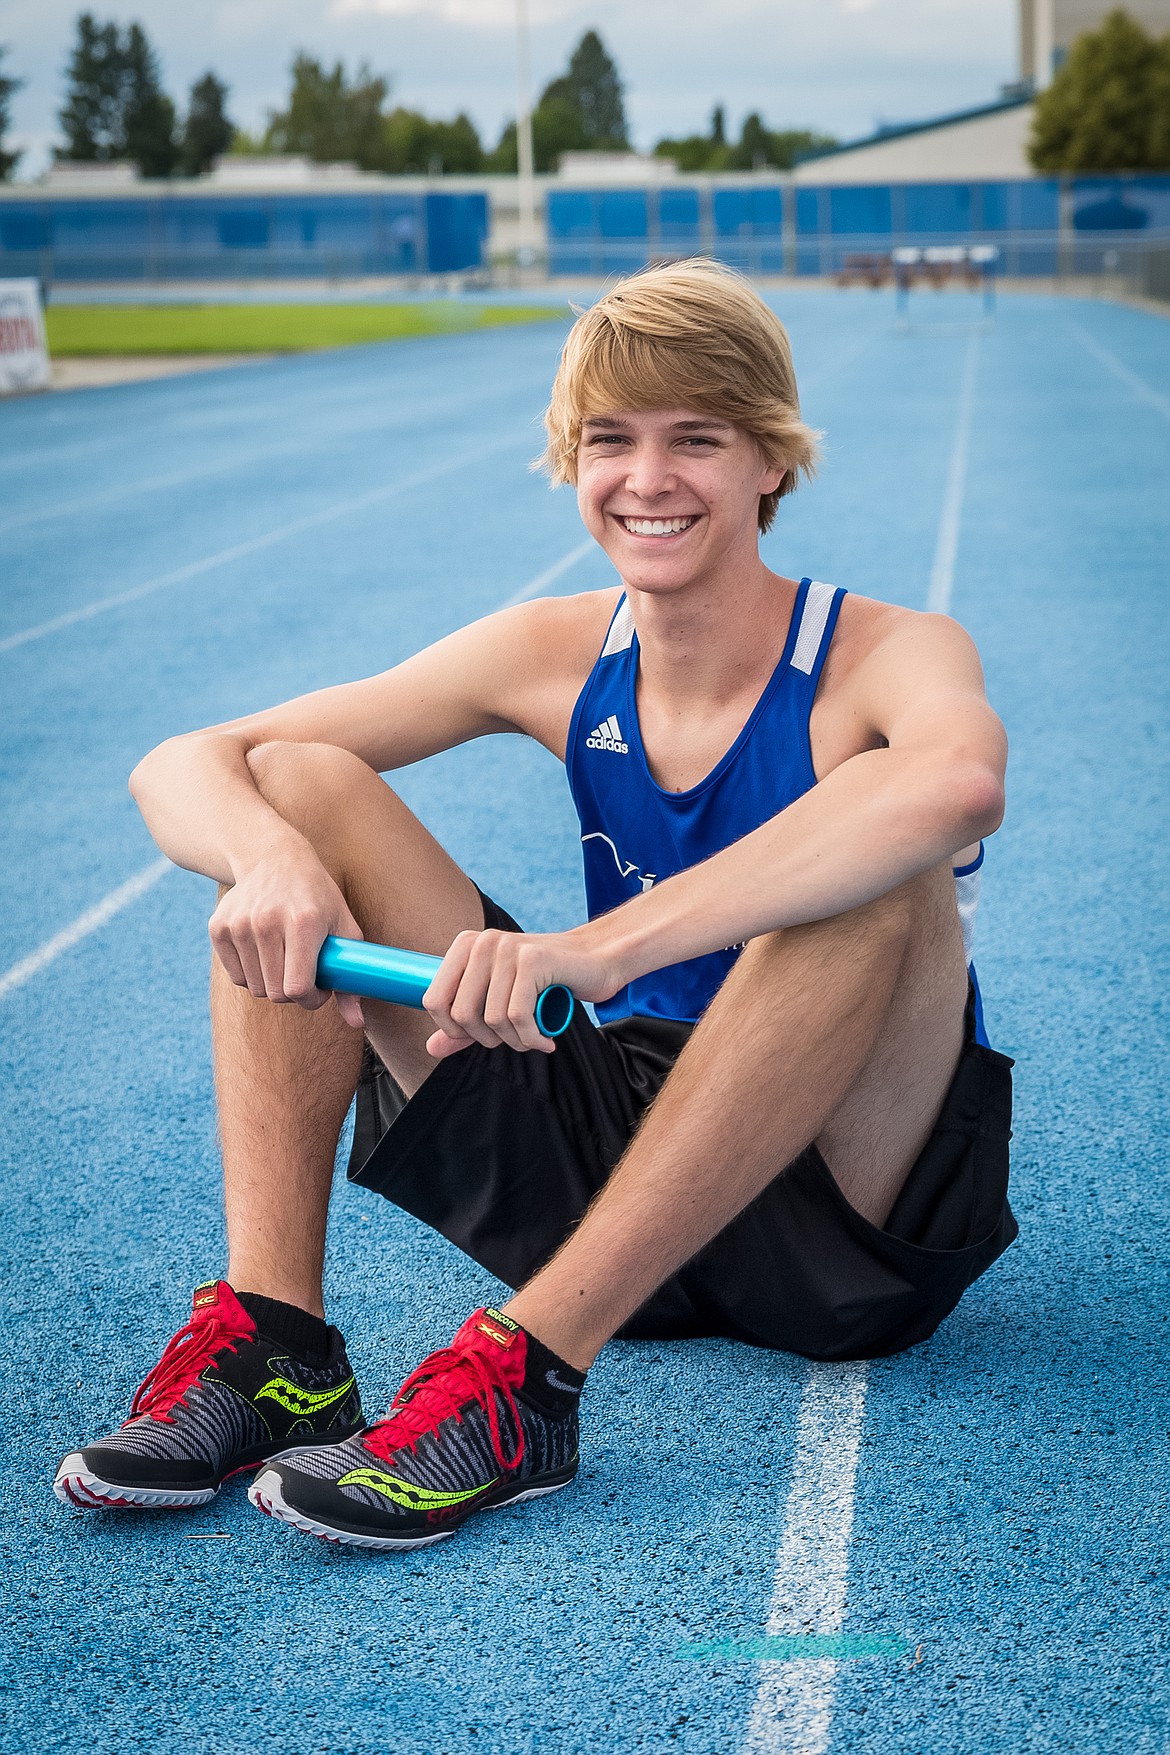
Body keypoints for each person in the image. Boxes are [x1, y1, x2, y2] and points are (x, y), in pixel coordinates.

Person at [54, 260, 1016, 1550]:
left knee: (887, 867)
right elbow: (185, 763)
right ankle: (276, 1342)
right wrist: (274, 861)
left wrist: (605, 949)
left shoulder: (890, 653)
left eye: (699, 440)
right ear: (574, 460)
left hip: (836, 1225)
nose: (649, 479)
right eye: (611, 440)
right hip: (612, 1168)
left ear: (773, 464)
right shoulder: (551, 650)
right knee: (290, 788)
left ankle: (530, 1382)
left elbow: (960, 784)